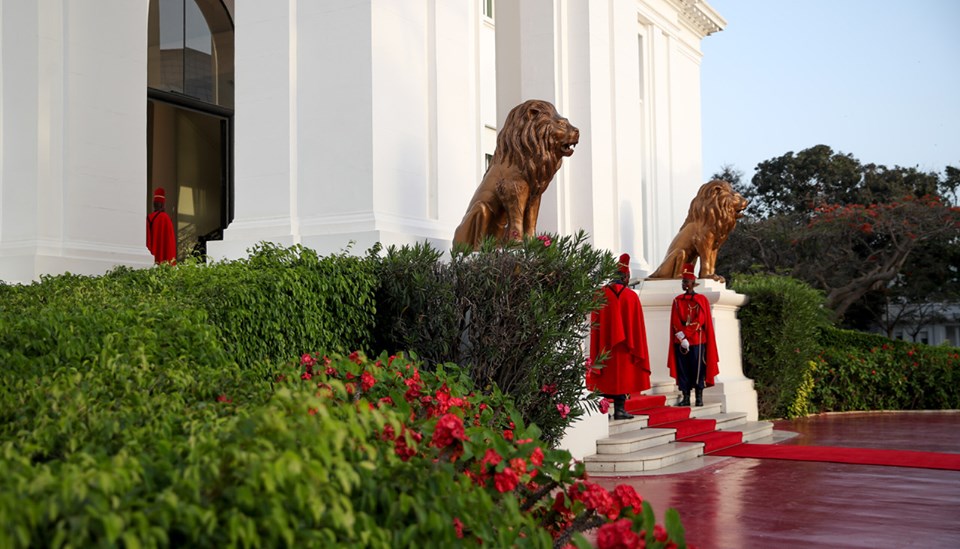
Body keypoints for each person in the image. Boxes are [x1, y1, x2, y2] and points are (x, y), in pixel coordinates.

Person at [588, 253, 651, 420]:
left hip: (604, 346)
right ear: (625, 277)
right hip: (625, 347)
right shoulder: (631, 297)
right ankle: (620, 410)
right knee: (622, 376)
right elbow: (637, 328)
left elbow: (595, 324)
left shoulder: (599, 294)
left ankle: (602, 411)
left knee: (605, 374)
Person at [668, 263, 719, 406]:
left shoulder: (701, 300)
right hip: (681, 341)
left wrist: (686, 335)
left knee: (698, 369)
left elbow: (700, 320)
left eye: (685, 281)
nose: (683, 284)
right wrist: (682, 337)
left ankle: (698, 397)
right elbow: (675, 321)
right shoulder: (677, 301)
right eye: (682, 281)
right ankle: (685, 397)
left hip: (697, 340)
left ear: (692, 283)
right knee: (683, 369)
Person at [146, 187, 176, 265]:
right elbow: (170, 243)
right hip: (164, 259)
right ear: (162, 205)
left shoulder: (148, 218)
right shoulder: (166, 218)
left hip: (152, 254)